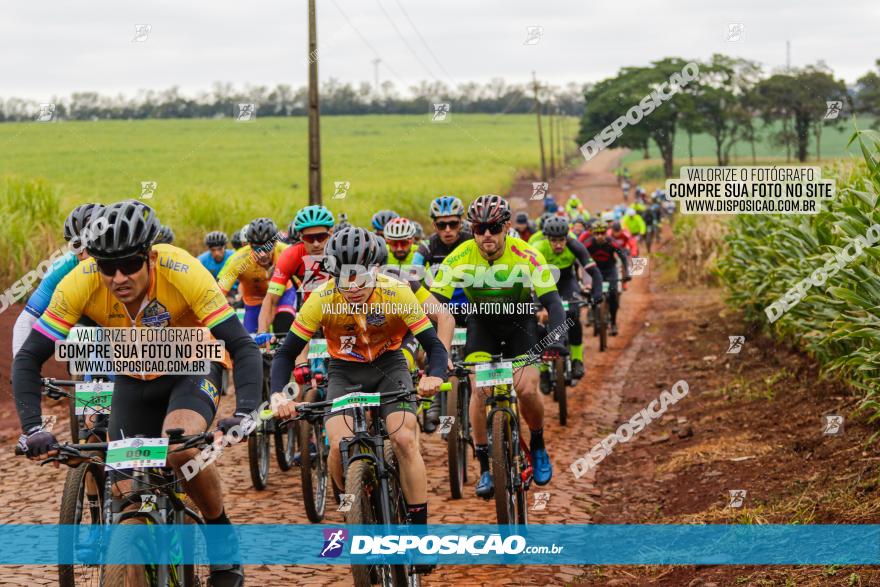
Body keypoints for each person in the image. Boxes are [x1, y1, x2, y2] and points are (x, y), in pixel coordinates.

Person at [13, 200, 260, 587]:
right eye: (107, 267)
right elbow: (29, 357)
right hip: (133, 377)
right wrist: (32, 428)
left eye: (129, 264)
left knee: (180, 449)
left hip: (192, 366)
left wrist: (245, 411)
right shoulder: (81, 281)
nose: (118, 277)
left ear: (150, 257)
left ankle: (221, 539)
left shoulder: (183, 270)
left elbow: (242, 345)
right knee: (127, 491)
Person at [269, 227, 449, 531]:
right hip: (344, 370)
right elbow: (286, 353)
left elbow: (433, 345)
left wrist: (435, 375)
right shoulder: (322, 299)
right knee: (338, 446)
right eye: (343, 278)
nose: (352, 287)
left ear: (375, 270)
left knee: (404, 439)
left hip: (389, 365)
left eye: (360, 278)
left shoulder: (397, 291)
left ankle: (419, 532)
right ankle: (350, 510)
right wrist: (278, 394)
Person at [430, 195, 567, 498]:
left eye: (493, 227)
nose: (487, 235)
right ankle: (485, 467)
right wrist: (433, 348)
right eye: (479, 228)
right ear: (473, 229)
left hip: (521, 324)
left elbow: (553, 303)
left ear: (505, 227)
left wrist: (557, 339)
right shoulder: (461, 255)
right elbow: (435, 302)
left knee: (527, 388)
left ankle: (539, 443)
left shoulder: (526, 253)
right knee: (480, 390)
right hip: (482, 325)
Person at [12, 203, 105, 357]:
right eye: (76, 244)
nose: (83, 253)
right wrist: (20, 369)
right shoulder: (62, 267)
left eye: (90, 243)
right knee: (83, 339)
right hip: (85, 319)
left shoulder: (126, 263)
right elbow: (25, 322)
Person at [532, 216, 602, 381]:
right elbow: (529, 279)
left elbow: (595, 272)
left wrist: (597, 294)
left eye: (561, 240)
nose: (558, 245)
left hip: (566, 280)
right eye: (554, 241)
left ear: (567, 238)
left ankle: (577, 359)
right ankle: (543, 368)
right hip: (544, 280)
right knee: (540, 319)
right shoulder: (537, 247)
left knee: (573, 315)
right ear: (547, 239)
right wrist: (535, 304)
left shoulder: (575, 245)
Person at [258, 205, 335, 338]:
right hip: (311, 310)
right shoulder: (291, 256)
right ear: (300, 237)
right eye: (310, 238)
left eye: (321, 237)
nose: (316, 244)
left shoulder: (342, 252)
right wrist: (262, 332)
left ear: (331, 234)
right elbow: (271, 300)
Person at [217, 218, 290, 334]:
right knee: (251, 340)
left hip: (282, 294)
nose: (262, 253)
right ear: (249, 244)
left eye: (268, 246)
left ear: (275, 243)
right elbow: (219, 292)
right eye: (257, 248)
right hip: (254, 299)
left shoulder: (286, 252)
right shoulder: (239, 260)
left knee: (284, 327)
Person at [579, 219, 631, 336]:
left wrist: (627, 272)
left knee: (613, 295)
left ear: (606, 232)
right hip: (594, 271)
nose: (600, 236)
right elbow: (579, 258)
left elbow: (622, 256)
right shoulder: (587, 244)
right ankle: (592, 312)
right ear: (592, 233)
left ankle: (613, 323)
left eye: (602, 233)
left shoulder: (612, 242)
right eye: (597, 233)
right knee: (590, 291)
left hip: (610, 270)